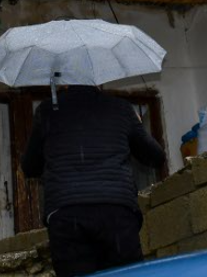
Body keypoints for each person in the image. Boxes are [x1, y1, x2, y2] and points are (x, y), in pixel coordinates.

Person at [21, 85, 166, 277]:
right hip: (115, 214)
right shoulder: (121, 109)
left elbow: (29, 166)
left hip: (67, 216)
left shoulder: (47, 111)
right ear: (97, 80)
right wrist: (137, 125)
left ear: (64, 80)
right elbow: (155, 156)